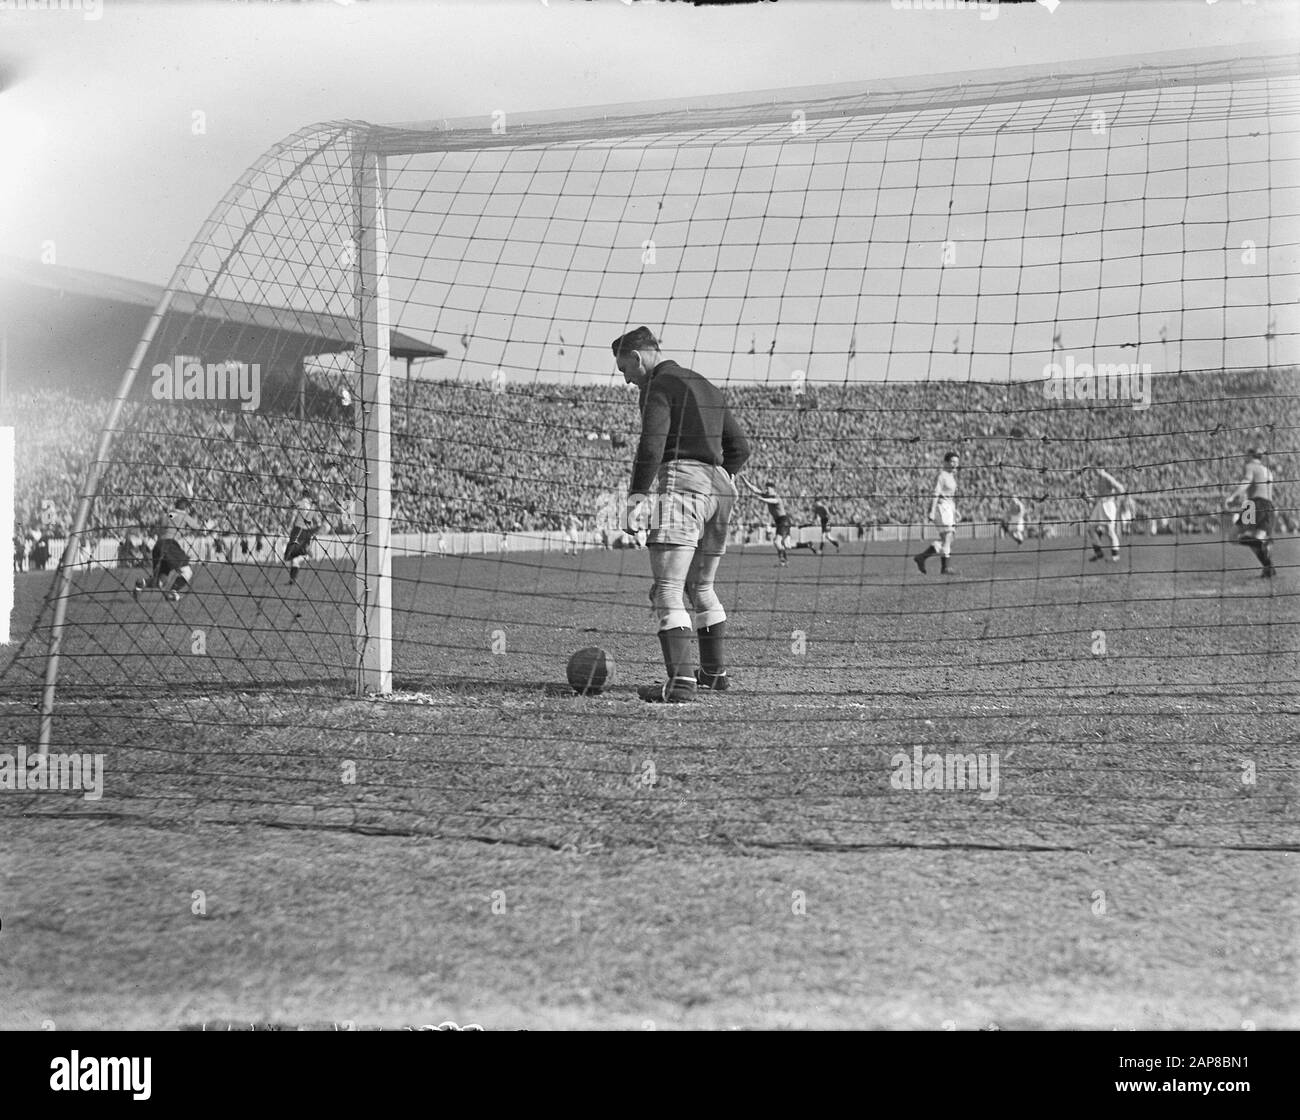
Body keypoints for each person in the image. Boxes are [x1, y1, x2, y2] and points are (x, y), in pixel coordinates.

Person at [616, 326, 751, 703]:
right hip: (722, 489)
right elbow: (739, 446)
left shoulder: (657, 386)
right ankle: (713, 674)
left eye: (624, 369)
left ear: (638, 357)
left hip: (683, 482)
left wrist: (636, 496)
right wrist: (722, 475)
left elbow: (652, 442)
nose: (626, 380)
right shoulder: (706, 384)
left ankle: (681, 684)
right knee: (700, 586)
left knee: (668, 589)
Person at [132, 496, 204, 603]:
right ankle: (172, 592)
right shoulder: (185, 516)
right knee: (187, 572)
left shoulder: (170, 514)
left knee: (160, 582)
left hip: (159, 545)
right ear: (186, 508)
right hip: (170, 545)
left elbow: (163, 523)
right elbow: (198, 528)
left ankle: (141, 584)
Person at [1225, 446, 1276, 578]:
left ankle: (1262, 545)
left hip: (1253, 504)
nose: (1244, 457)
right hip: (1268, 506)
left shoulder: (1250, 466)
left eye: (1246, 454)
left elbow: (1246, 482)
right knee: (1255, 541)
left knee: (1232, 537)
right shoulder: (1267, 470)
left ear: (1252, 456)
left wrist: (1233, 496)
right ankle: (1268, 568)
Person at [914, 451, 961, 575]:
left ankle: (922, 557)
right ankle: (945, 567)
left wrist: (955, 511)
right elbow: (936, 493)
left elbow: (949, 496)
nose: (954, 464)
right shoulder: (942, 476)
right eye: (952, 462)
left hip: (948, 508)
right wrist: (932, 510)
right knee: (948, 536)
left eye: (956, 462)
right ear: (945, 462)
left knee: (949, 539)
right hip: (942, 508)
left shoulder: (952, 476)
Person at [741, 478, 794, 565]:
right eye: (766, 488)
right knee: (783, 544)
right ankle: (785, 560)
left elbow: (773, 501)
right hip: (780, 522)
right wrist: (744, 480)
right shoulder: (767, 495)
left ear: (773, 489)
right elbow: (754, 489)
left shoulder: (777, 497)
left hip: (783, 521)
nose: (766, 490)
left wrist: (762, 499)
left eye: (768, 489)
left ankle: (783, 561)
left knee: (777, 542)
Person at [1086, 462, 1126, 562]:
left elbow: (1121, 488)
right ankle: (1099, 552)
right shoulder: (1097, 480)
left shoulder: (1107, 477)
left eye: (1096, 469)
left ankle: (1115, 556)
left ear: (1101, 468)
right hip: (1100, 505)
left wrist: (1113, 498)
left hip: (1108, 505)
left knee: (1110, 531)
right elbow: (1097, 499)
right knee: (1090, 528)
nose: (1094, 471)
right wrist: (1087, 498)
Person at [285, 488, 323, 586]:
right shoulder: (312, 506)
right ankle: (293, 579)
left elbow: (292, 511)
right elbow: (318, 523)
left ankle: (304, 551)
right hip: (307, 532)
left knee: (289, 556)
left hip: (298, 530)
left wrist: (290, 499)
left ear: (302, 495)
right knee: (295, 558)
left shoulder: (300, 503)